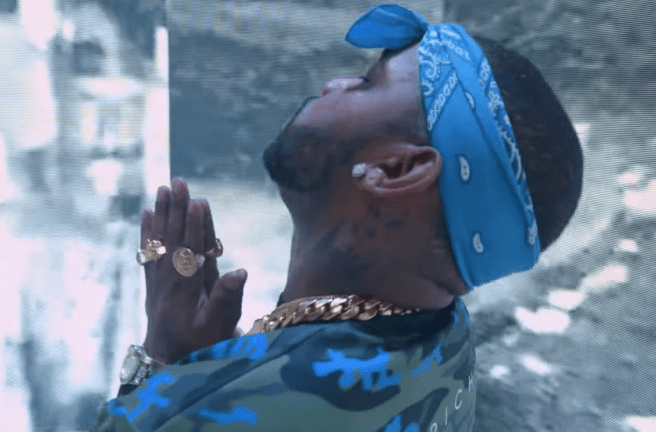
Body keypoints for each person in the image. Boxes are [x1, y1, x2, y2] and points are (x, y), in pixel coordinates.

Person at [91, 4, 583, 431]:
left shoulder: (260, 411)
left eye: (368, 84)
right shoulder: (446, 342)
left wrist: (163, 360)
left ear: (397, 170)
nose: (335, 84)